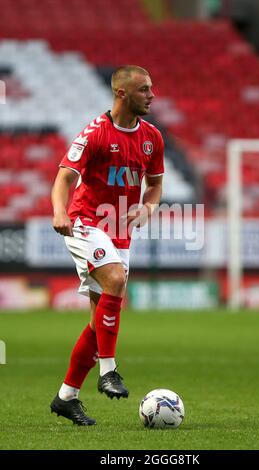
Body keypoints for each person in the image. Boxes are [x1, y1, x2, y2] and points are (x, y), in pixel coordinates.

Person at [50, 65, 164, 425]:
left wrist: (148, 206)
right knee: (115, 280)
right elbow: (63, 178)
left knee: (100, 320)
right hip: (85, 221)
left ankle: (66, 397)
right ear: (122, 94)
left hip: (120, 232)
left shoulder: (152, 137)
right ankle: (108, 371)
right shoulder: (95, 133)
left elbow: (156, 184)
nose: (152, 95)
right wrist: (59, 212)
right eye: (144, 89)